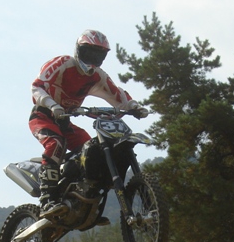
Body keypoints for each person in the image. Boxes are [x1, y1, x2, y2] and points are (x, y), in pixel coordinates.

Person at [29, 29, 149, 218]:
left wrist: (134, 106)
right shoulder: (63, 63)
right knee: (56, 144)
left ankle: (82, 198)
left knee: (92, 151)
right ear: (79, 50)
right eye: (89, 52)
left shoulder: (97, 75)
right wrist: (52, 105)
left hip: (66, 123)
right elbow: (37, 86)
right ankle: (47, 200)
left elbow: (116, 94)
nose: (93, 59)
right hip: (43, 116)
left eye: (98, 55)